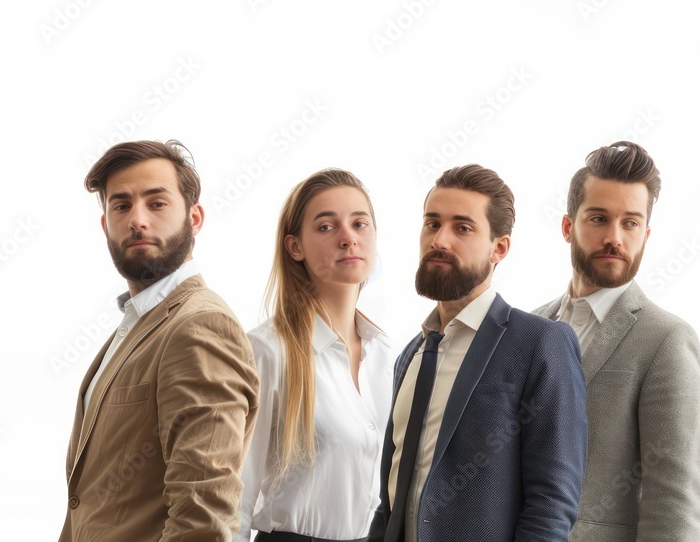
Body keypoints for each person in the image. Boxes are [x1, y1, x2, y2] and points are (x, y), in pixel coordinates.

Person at [368, 164, 587, 542]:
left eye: (462, 228)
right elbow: (392, 497)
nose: (440, 239)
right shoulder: (411, 355)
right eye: (432, 223)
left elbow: (551, 503)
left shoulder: (539, 343)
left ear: (498, 248)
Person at [58, 139, 260, 542]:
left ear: (195, 217)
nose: (137, 219)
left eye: (157, 203)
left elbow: (203, 515)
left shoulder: (200, 326)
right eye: (121, 205)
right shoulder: (137, 324)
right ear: (105, 225)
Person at [532, 141, 700, 542]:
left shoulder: (667, 340)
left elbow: (673, 502)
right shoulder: (532, 326)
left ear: (646, 233)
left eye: (630, 223)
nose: (615, 237)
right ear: (568, 226)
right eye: (599, 218)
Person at [236, 169, 395, 542]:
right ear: (295, 247)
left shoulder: (387, 355)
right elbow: (235, 494)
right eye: (326, 227)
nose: (348, 238)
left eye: (360, 224)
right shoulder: (267, 350)